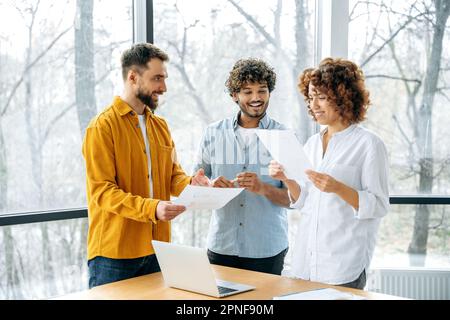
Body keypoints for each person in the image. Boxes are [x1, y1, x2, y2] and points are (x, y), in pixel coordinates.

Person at [82, 43, 210, 288]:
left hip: (158, 250)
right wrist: (152, 209)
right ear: (133, 77)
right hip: (114, 256)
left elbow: (173, 176)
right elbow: (102, 192)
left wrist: (193, 184)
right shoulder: (101, 127)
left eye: (164, 78)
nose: (163, 87)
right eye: (157, 78)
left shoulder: (160, 126)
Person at [269, 57, 389, 289]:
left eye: (322, 97)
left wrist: (338, 188)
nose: (314, 105)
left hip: (343, 262)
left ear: (344, 98)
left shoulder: (369, 145)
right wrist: (287, 179)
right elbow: (304, 199)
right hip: (306, 260)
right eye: (311, 97)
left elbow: (379, 205)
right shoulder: (313, 143)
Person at [193, 58, 291, 275]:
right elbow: (196, 185)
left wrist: (263, 188)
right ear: (234, 95)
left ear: (269, 93)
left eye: (262, 91)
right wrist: (209, 186)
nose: (256, 98)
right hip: (221, 246)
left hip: (266, 250)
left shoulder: (284, 137)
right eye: (247, 91)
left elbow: (293, 199)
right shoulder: (213, 133)